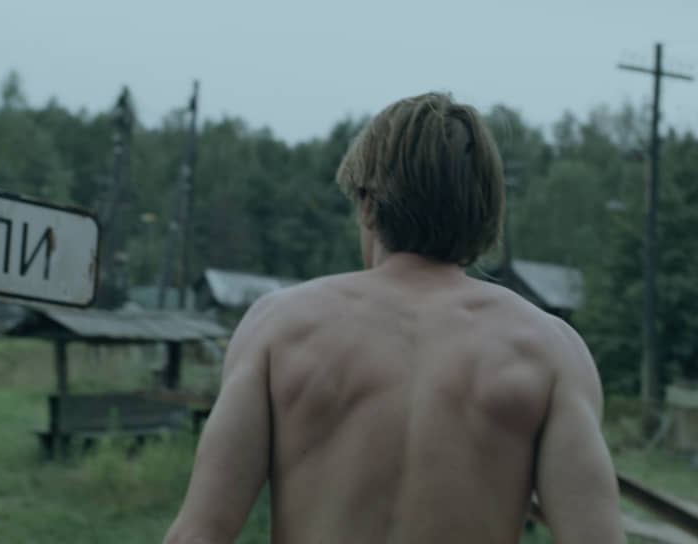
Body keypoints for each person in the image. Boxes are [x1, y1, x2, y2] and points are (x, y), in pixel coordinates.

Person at [163, 92, 626, 543]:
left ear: (368, 204)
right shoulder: (550, 349)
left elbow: (201, 532)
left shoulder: (278, 327)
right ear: (483, 209)